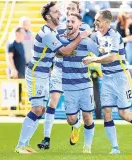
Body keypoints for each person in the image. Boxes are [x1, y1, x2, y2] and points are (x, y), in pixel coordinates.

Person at [15, 2, 91, 154]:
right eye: (56, 12)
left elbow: (56, 51)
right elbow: (65, 51)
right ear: (48, 16)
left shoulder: (53, 31)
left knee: (41, 109)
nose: (60, 14)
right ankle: (20, 145)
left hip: (43, 74)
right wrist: (80, 37)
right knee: (37, 109)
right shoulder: (48, 34)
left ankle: (25, 144)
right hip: (36, 73)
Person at [83, 10, 132, 154]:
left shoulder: (114, 36)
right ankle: (115, 148)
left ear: (107, 22)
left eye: (98, 20)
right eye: (95, 20)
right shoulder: (96, 36)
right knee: (106, 112)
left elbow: (112, 57)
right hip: (107, 78)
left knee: (123, 113)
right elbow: (85, 40)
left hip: (121, 78)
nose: (95, 23)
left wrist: (93, 59)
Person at [37, 1, 91, 150]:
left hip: (75, 73)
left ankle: (76, 124)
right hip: (59, 70)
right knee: (52, 102)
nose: (69, 11)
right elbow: (55, 49)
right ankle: (46, 138)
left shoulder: (84, 28)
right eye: (67, 8)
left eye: (72, 8)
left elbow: (89, 46)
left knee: (73, 116)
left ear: (78, 10)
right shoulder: (58, 28)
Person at [58, 13, 99, 153]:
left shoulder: (86, 41)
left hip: (85, 84)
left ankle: (87, 147)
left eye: (72, 21)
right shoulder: (61, 39)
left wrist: (93, 59)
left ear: (79, 24)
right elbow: (59, 51)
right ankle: (76, 126)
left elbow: (101, 52)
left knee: (88, 116)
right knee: (71, 119)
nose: (69, 23)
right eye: (67, 20)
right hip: (68, 85)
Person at [7, 27, 26, 107]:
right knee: (13, 91)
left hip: (21, 71)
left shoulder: (21, 44)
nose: (24, 35)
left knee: (19, 91)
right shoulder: (12, 44)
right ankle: (13, 111)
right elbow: (9, 57)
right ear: (17, 33)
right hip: (15, 72)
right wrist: (13, 70)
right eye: (22, 33)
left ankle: (18, 109)